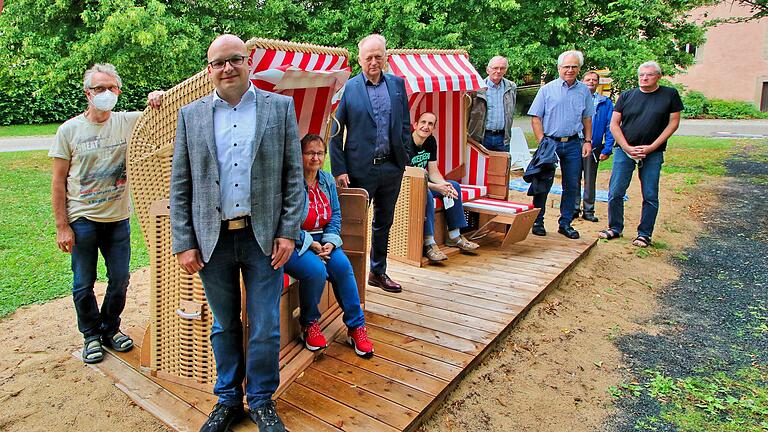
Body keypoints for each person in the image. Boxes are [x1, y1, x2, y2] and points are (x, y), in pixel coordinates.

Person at [170, 34, 303, 432]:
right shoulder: (190, 115)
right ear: (209, 70)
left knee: (265, 325)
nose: (227, 68)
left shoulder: (279, 108)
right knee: (224, 324)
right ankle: (228, 399)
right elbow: (181, 184)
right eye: (218, 62)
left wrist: (288, 231)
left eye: (235, 60)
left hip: (263, 237)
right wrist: (184, 241)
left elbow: (293, 176)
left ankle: (261, 400)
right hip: (213, 240)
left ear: (249, 64)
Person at [50, 63, 163, 365]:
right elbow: (58, 181)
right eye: (99, 88)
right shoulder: (69, 131)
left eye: (111, 88)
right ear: (87, 93)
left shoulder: (128, 123)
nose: (106, 93)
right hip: (83, 219)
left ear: (119, 91)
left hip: (117, 220)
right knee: (83, 283)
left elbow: (162, 117)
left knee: (120, 279)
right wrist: (62, 226)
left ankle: (110, 328)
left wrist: (157, 97)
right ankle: (90, 335)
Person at [330, 34, 411, 294]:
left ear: (385, 57)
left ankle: (378, 272)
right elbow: (335, 131)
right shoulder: (349, 88)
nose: (374, 62)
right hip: (358, 170)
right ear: (360, 60)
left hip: (391, 168)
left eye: (379, 56)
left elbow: (405, 125)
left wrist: (404, 157)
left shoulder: (398, 85)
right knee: (352, 224)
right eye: (369, 58)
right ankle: (348, 276)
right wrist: (340, 170)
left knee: (383, 222)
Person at [284, 134, 374, 357]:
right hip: (296, 242)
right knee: (316, 270)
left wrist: (330, 243)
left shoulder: (326, 180)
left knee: (343, 267)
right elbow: (284, 220)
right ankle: (309, 324)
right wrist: (310, 243)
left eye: (319, 153)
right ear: (300, 155)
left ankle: (356, 327)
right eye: (310, 153)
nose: (315, 157)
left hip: (324, 240)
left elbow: (335, 215)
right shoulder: (290, 182)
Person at [599, 61, 683, 248]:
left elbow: (673, 123)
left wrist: (653, 146)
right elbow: (614, 124)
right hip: (625, 150)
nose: (644, 78)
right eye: (641, 75)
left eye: (649, 75)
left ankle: (644, 234)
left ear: (658, 76)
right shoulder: (627, 96)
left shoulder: (669, 95)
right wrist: (626, 147)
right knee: (615, 192)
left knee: (650, 194)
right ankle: (615, 227)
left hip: (652, 152)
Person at [527, 50, 594, 239]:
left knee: (572, 184)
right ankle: (537, 221)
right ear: (559, 68)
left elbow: (587, 118)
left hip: (573, 143)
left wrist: (587, 141)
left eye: (574, 67)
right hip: (550, 142)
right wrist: (542, 142)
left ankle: (565, 223)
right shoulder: (547, 89)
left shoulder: (584, 91)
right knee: (543, 183)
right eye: (566, 67)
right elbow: (535, 118)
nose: (570, 70)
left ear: (579, 69)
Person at [409, 112, 479, 262]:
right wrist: (437, 187)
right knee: (426, 193)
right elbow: (406, 177)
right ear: (415, 125)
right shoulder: (405, 143)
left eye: (430, 124)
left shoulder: (430, 141)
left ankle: (454, 235)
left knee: (453, 186)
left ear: (434, 128)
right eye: (423, 122)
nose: (425, 126)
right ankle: (429, 243)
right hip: (407, 186)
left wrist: (444, 186)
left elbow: (433, 172)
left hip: (424, 182)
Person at [574, 71, 615, 222]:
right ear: (582, 81)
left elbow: (610, 126)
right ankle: (573, 208)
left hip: (594, 146)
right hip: (575, 143)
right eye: (587, 79)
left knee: (590, 180)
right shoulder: (576, 98)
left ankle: (589, 210)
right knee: (573, 178)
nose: (591, 82)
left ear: (598, 83)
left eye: (594, 80)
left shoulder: (605, 102)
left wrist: (608, 147)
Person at [468, 56, 518, 152]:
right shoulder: (477, 88)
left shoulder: (511, 87)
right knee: (481, 166)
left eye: (502, 68)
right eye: (495, 68)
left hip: (502, 138)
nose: (498, 71)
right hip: (482, 137)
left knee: (502, 166)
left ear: (505, 70)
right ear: (488, 70)